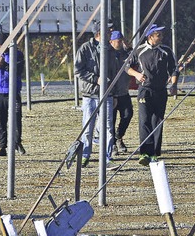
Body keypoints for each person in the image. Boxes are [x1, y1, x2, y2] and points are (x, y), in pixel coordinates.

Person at [129, 24, 178, 166]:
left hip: (160, 90)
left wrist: (173, 85)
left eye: (161, 35)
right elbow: (127, 67)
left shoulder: (166, 51)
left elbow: (174, 69)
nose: (161, 37)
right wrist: (137, 74)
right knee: (144, 120)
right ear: (150, 36)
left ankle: (155, 153)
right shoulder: (139, 50)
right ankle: (144, 152)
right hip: (145, 89)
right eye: (158, 35)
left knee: (157, 121)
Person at [74, 22, 119, 168]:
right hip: (89, 95)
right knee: (87, 128)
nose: (111, 33)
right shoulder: (85, 48)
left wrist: (115, 93)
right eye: (108, 31)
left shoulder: (110, 50)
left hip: (107, 95)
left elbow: (114, 72)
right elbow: (78, 70)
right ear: (99, 33)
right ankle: (85, 156)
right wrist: (96, 79)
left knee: (108, 129)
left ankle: (107, 158)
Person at [0, 33, 26, 156]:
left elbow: (18, 70)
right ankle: (2, 147)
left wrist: (5, 65)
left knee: (16, 119)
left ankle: (17, 142)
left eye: (1, 45)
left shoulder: (17, 54)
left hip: (13, 92)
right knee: (1, 121)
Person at [109, 30, 135, 154]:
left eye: (121, 40)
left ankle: (119, 136)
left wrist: (129, 47)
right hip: (111, 93)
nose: (120, 43)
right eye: (118, 41)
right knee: (111, 120)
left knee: (127, 114)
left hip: (124, 92)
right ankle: (112, 144)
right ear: (112, 42)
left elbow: (134, 58)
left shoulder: (127, 54)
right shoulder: (108, 54)